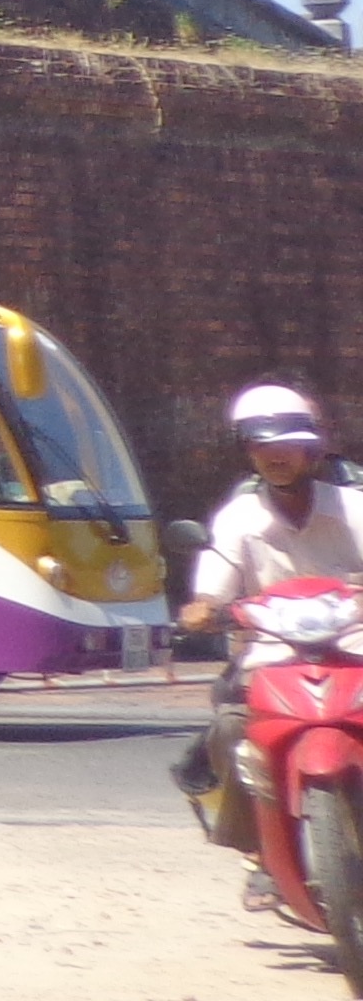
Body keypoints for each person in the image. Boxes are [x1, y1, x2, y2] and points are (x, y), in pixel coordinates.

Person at [176, 383, 363, 925]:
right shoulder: (237, 518)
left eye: (290, 442)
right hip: (273, 659)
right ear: (247, 448)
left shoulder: (354, 509)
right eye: (262, 443)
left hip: (355, 650)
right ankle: (263, 849)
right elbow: (212, 589)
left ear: (316, 449)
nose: (277, 453)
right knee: (234, 727)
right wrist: (204, 608)